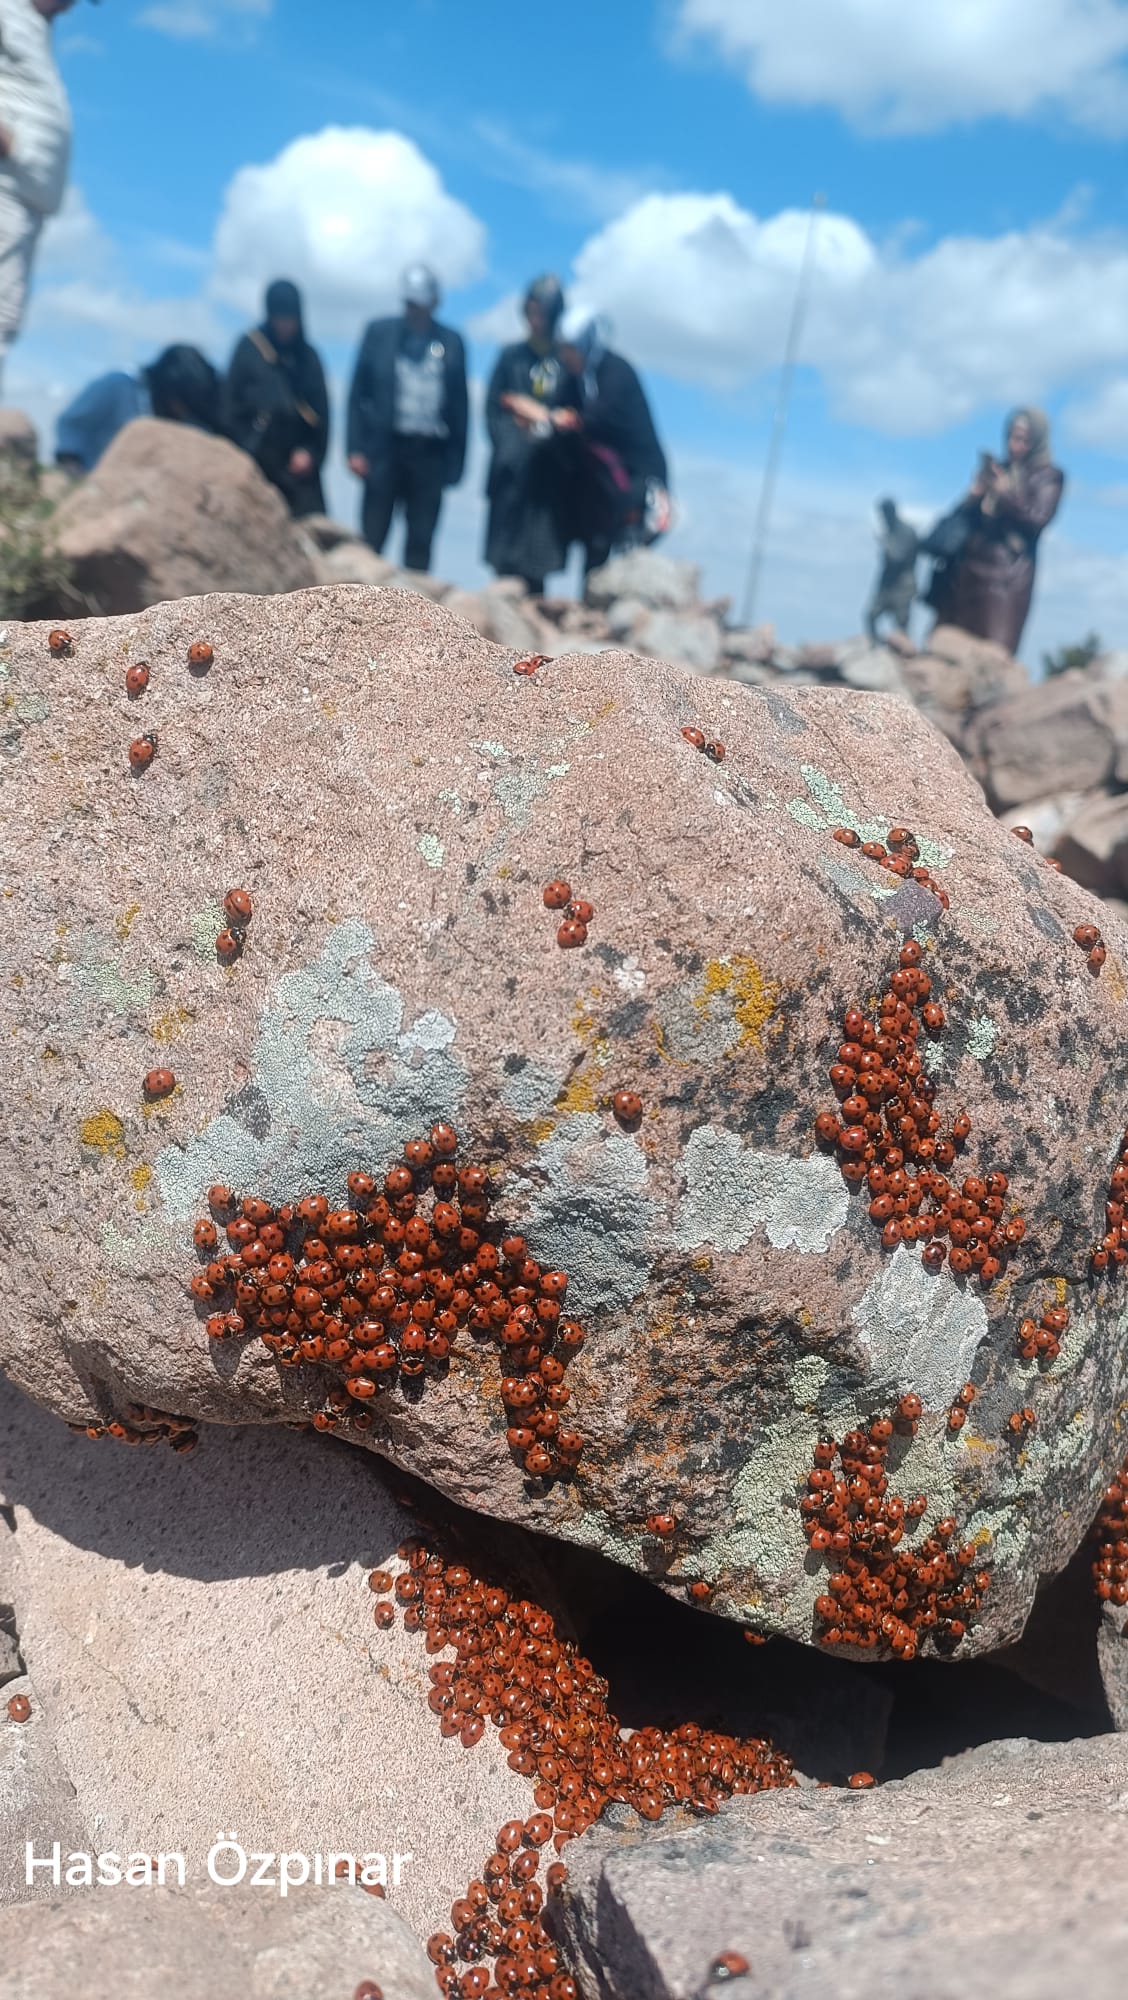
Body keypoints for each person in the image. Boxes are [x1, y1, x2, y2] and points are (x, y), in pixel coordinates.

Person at [346, 264, 467, 572]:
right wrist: (355, 448)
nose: (414, 311)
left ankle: (418, 614)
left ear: (434, 303)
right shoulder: (379, 333)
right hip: (385, 449)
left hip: (430, 454)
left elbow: (460, 405)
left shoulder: (452, 343)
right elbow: (358, 394)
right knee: (372, 533)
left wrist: (456, 462)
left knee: (420, 540)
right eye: (410, 304)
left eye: (420, 305)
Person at [930, 409, 1064, 655]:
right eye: (1012, 438)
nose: (1015, 446)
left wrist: (1005, 494)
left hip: (1005, 583)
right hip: (965, 577)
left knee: (991, 658)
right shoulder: (998, 470)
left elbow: (1037, 518)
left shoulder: (1047, 477)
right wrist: (973, 496)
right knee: (948, 652)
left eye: (1023, 440)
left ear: (1036, 441)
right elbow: (962, 521)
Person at [484, 273, 581, 596]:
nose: (535, 320)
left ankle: (535, 596)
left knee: (540, 543)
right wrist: (512, 440)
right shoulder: (511, 356)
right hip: (513, 465)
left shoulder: (566, 362)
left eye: (542, 312)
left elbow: (572, 412)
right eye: (531, 311)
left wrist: (547, 430)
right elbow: (495, 407)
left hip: (548, 471)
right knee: (506, 543)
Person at [0, 0, 79, 392]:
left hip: (24, 199)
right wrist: (9, 142)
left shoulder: (35, 27)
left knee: (4, 318)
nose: (70, 6)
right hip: (5, 187)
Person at [556, 306, 670, 575]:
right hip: (605, 487)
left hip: (639, 481)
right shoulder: (579, 379)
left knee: (628, 554)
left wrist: (561, 419)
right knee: (596, 549)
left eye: (570, 348)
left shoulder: (616, 372)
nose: (565, 356)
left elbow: (594, 417)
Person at [225, 280, 329, 519]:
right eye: (280, 318)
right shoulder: (248, 349)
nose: (285, 326)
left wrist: (310, 453)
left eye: (290, 319)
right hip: (254, 464)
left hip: (298, 474)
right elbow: (229, 407)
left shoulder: (308, 358)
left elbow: (321, 416)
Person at [55, 345, 223, 474]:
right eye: (181, 403)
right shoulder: (118, 385)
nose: (183, 412)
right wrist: (73, 469)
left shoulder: (170, 415)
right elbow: (71, 424)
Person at [864, 499, 919, 642]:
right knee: (871, 615)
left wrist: (885, 544)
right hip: (887, 584)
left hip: (903, 585)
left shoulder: (906, 531)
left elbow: (898, 558)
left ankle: (901, 652)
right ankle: (874, 645)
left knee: (901, 624)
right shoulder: (889, 531)